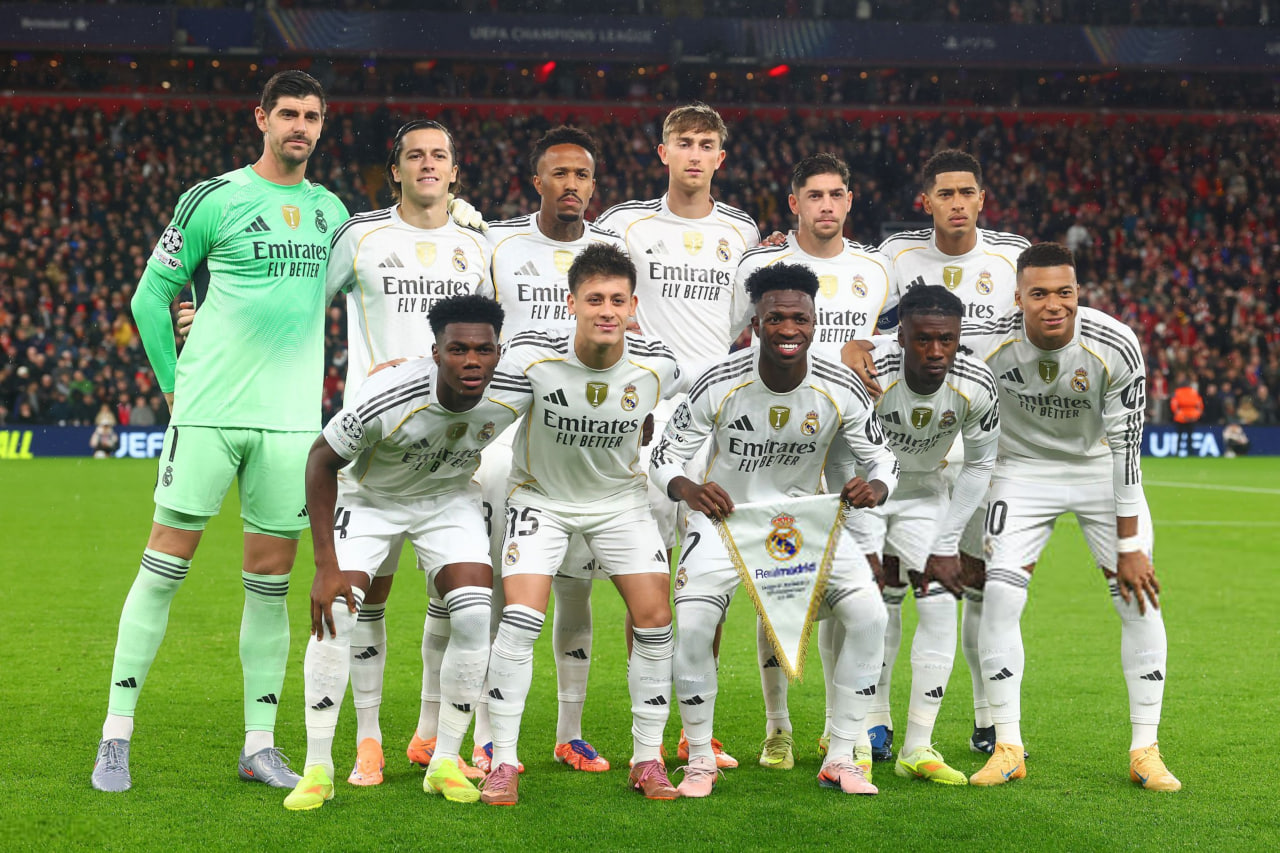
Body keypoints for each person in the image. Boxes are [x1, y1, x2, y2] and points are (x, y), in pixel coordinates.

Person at [91, 70, 349, 793]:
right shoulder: (215, 197)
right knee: (162, 567)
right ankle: (116, 734)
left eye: (312, 116)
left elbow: (340, 298)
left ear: (322, 125)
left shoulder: (332, 213)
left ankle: (259, 745)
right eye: (288, 113)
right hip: (207, 413)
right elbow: (151, 298)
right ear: (261, 118)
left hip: (290, 423)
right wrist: (176, 387)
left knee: (270, 584)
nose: (300, 126)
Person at [650, 262, 899, 797]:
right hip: (724, 520)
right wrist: (688, 489)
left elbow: (883, 458)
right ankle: (699, 760)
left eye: (800, 319)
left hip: (802, 523)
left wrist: (877, 487)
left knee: (870, 616)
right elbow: (664, 457)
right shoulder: (719, 380)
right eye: (776, 318)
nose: (789, 329)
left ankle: (842, 754)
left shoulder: (840, 385)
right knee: (693, 626)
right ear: (756, 324)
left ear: (815, 322)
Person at [283, 294, 516, 810]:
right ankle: (317, 768)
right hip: (371, 500)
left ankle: (444, 761)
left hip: (447, 499)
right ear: (435, 352)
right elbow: (320, 460)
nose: (472, 361)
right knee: (338, 613)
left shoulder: (514, 386)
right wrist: (325, 565)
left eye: (483, 350)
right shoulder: (389, 396)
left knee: (474, 614)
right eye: (457, 350)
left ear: (499, 352)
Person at [959, 242, 1178, 791]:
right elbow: (920, 344)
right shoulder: (986, 342)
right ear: (1018, 298)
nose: (1053, 304)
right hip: (1021, 471)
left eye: (1064, 292)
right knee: (1000, 595)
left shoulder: (1114, 342)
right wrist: (861, 346)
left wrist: (1130, 548)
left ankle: (1145, 749)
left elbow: (1128, 450)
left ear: (1078, 292)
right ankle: (1007, 746)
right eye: (1039, 294)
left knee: (1138, 595)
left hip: (1100, 467)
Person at [479, 243, 685, 805]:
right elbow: (475, 394)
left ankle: (647, 759)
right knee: (520, 619)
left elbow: (696, 400)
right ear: (571, 303)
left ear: (634, 306)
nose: (606, 310)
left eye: (618, 299)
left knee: (655, 621)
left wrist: (649, 426)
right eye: (594, 299)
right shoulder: (531, 355)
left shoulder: (658, 363)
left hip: (619, 501)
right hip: (540, 498)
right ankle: (502, 761)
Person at [322, 119, 491, 787]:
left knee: (459, 598)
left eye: (439, 155)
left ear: (454, 170)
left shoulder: (477, 246)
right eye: (414, 156)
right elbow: (302, 305)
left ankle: (431, 735)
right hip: (373, 450)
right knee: (369, 599)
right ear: (394, 170)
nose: (427, 164)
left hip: (451, 453)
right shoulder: (361, 236)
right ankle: (368, 739)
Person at [595, 102, 760, 769]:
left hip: (719, 422)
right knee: (650, 576)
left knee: (708, 582)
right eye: (683, 142)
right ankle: (652, 728)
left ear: (721, 156)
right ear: (662, 152)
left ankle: (699, 729)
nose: (695, 153)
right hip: (652, 416)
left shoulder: (742, 231)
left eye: (706, 143)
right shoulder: (625, 225)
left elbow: (744, 320)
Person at [472, 125, 629, 774]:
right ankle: (486, 732)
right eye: (559, 173)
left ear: (594, 185)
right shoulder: (497, 243)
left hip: (586, 435)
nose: (571, 184)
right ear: (537, 180)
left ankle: (570, 732)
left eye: (582, 175)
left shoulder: (612, 250)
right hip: (509, 433)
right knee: (501, 585)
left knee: (576, 588)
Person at [732, 153, 896, 769]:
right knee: (777, 583)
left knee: (858, 587)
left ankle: (843, 729)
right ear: (794, 202)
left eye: (836, 194)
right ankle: (777, 727)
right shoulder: (762, 264)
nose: (827, 205)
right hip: (782, 443)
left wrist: (870, 343)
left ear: (849, 200)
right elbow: (731, 339)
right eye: (815, 195)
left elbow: (898, 334)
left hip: (850, 447)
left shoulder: (875, 269)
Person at [872, 148, 1030, 760]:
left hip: (989, 442)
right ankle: (878, 720)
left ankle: (988, 717)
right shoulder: (895, 255)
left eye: (967, 192)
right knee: (888, 587)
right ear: (927, 200)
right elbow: (857, 320)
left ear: (982, 199)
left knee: (979, 585)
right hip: (915, 440)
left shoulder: (1012, 256)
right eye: (946, 193)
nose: (957, 203)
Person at [848, 285, 999, 785]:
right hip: (863, 492)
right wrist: (855, 524)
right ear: (900, 337)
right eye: (922, 340)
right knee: (863, 607)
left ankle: (918, 746)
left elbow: (979, 466)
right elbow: (840, 443)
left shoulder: (975, 382)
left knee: (939, 602)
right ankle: (854, 737)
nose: (935, 351)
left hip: (925, 493)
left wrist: (947, 544)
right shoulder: (870, 373)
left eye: (946, 340)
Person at [1169, 378, 1204, 457]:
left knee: (1179, 436)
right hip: (1192, 416)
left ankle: (1177, 452)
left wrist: (1179, 414)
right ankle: (1190, 453)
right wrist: (1196, 415)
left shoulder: (1177, 392)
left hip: (1180, 417)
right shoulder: (1194, 392)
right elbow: (1200, 405)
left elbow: (1174, 404)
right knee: (1190, 436)